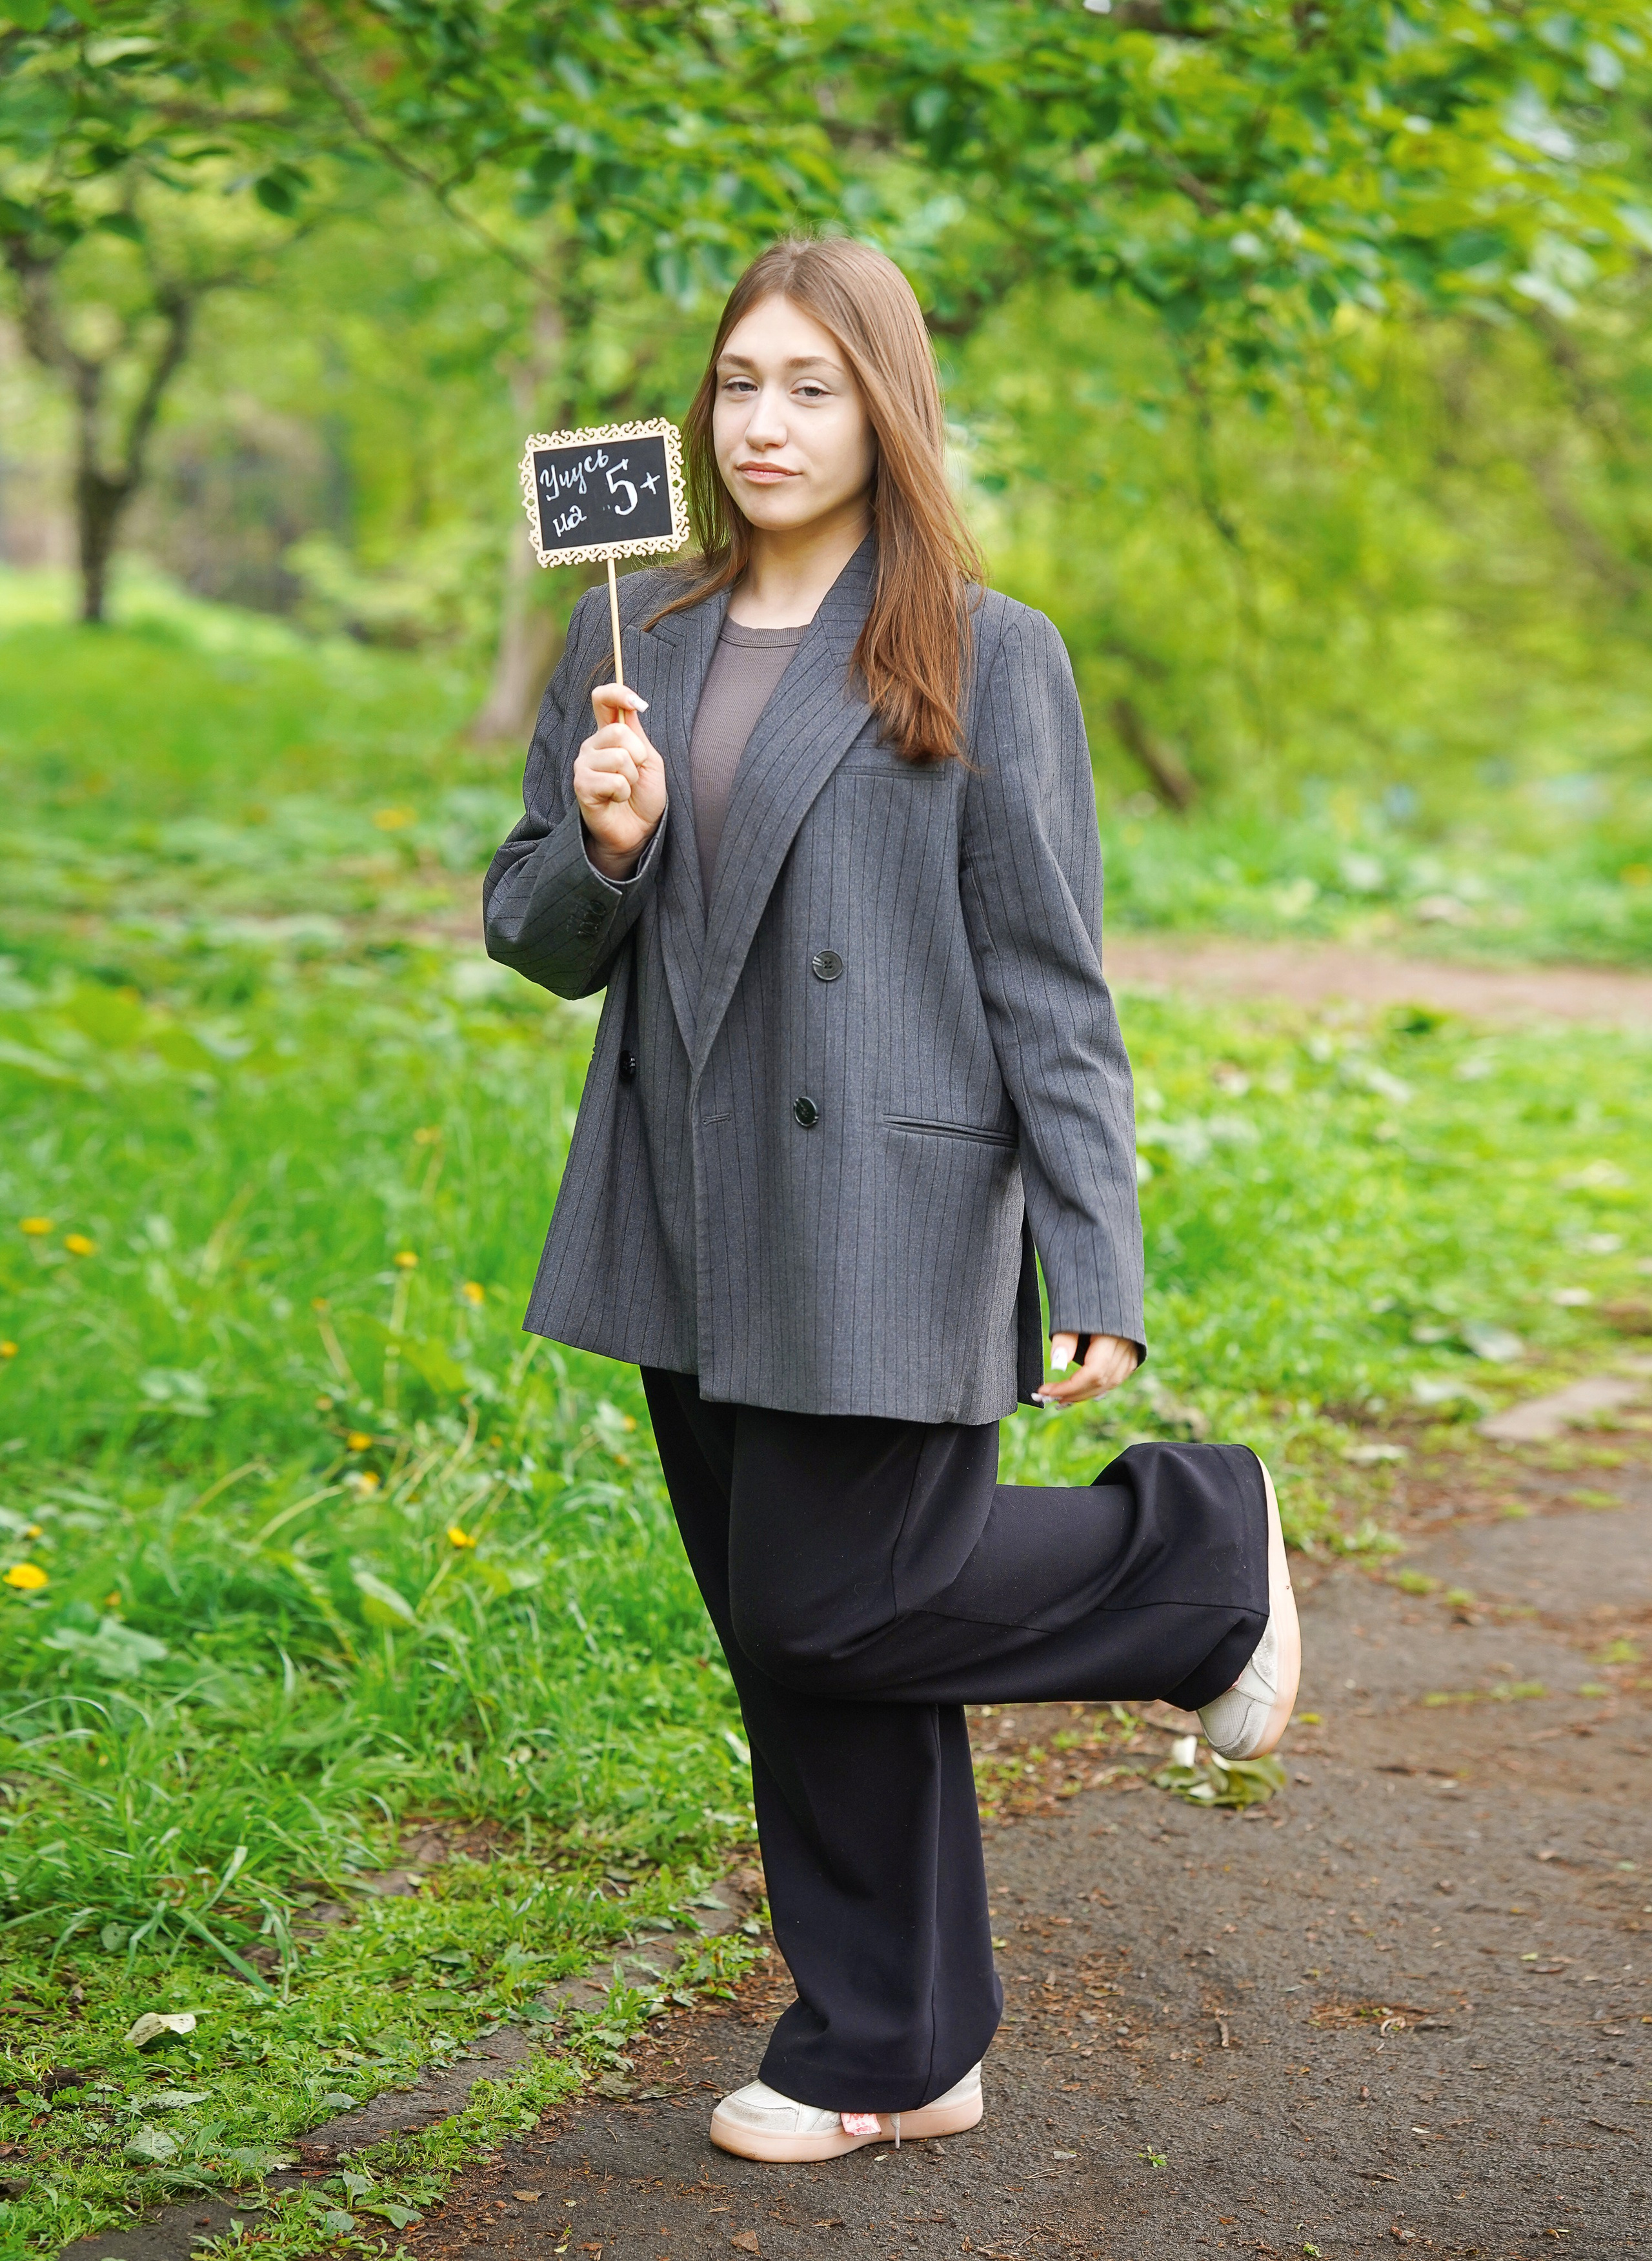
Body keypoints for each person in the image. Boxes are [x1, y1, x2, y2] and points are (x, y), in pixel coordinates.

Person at [484, 237, 1300, 2165]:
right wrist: (606, 847)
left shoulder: (984, 652)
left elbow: (1049, 976)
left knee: (842, 1612)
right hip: (688, 1211)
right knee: (797, 1643)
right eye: (739, 382)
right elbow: (532, 928)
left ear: (887, 410)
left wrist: (1093, 1248)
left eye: (811, 387)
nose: (764, 423)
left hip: (895, 1210)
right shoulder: (630, 646)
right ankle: (897, 2043)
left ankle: (1198, 1553)